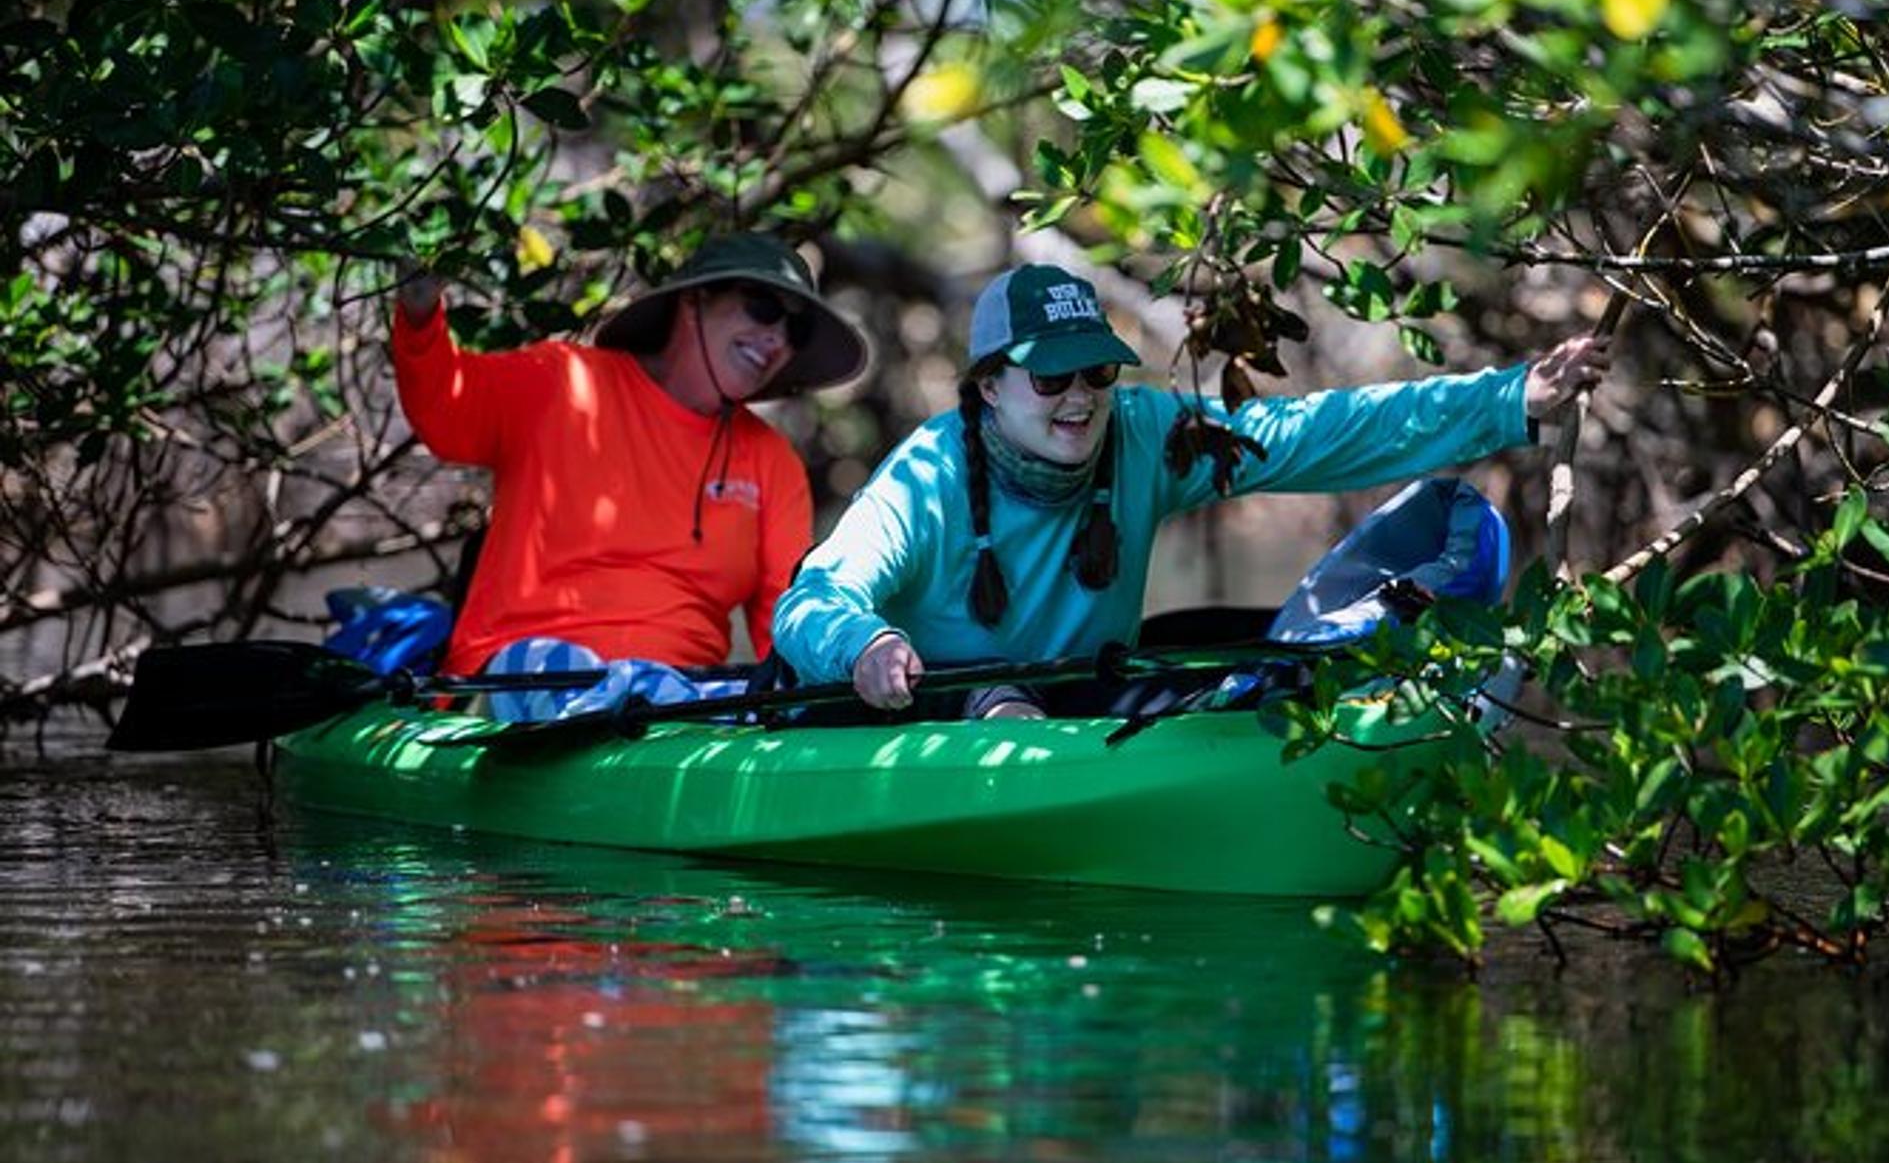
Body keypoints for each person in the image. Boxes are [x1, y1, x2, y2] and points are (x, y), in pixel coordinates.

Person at [770, 263, 1608, 716]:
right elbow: (811, 601)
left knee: (1259, 648)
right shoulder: (928, 472)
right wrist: (866, 648)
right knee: (998, 692)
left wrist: (1508, 399)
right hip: (943, 709)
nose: (1081, 395)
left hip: (1077, 693)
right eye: (1052, 375)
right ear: (989, 386)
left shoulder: (1141, 433)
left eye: (1096, 368)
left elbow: (1318, 431)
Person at [391, 232, 867, 679]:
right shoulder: (562, 381)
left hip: (672, 708)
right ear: (693, 302)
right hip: (517, 680)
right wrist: (420, 316)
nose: (777, 339)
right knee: (612, 689)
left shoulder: (772, 461)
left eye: (797, 331)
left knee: (712, 699)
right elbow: (444, 410)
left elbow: (785, 627)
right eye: (763, 308)